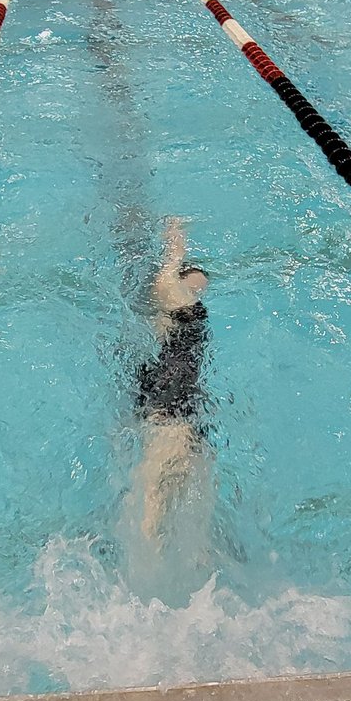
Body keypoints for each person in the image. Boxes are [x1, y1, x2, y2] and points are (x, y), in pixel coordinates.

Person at [134, 218, 210, 541]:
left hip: (177, 417)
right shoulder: (176, 303)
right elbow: (165, 279)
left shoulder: (174, 314)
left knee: (156, 512)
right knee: (157, 515)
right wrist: (175, 241)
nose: (202, 286)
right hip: (176, 417)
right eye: (197, 280)